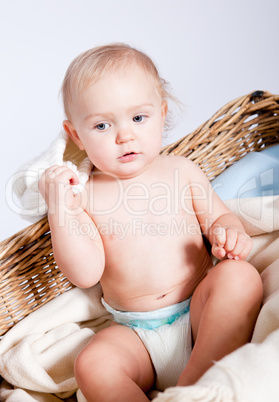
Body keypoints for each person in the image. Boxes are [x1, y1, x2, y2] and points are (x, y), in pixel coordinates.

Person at [39, 43, 263, 401]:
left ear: (162, 113)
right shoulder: (84, 196)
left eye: (138, 118)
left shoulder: (182, 172)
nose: (124, 136)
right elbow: (85, 274)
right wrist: (59, 208)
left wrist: (229, 233)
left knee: (240, 278)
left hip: (200, 314)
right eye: (101, 125)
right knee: (92, 363)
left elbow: (220, 217)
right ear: (76, 136)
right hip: (135, 335)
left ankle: (192, 390)